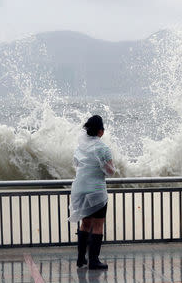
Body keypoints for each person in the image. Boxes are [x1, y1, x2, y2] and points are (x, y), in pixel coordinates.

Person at [69, 115, 115, 270]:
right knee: (97, 225)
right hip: (96, 191)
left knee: (85, 223)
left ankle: (81, 259)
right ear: (100, 131)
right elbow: (110, 172)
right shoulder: (103, 148)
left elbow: (76, 164)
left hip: (80, 189)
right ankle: (94, 260)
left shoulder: (79, 147)